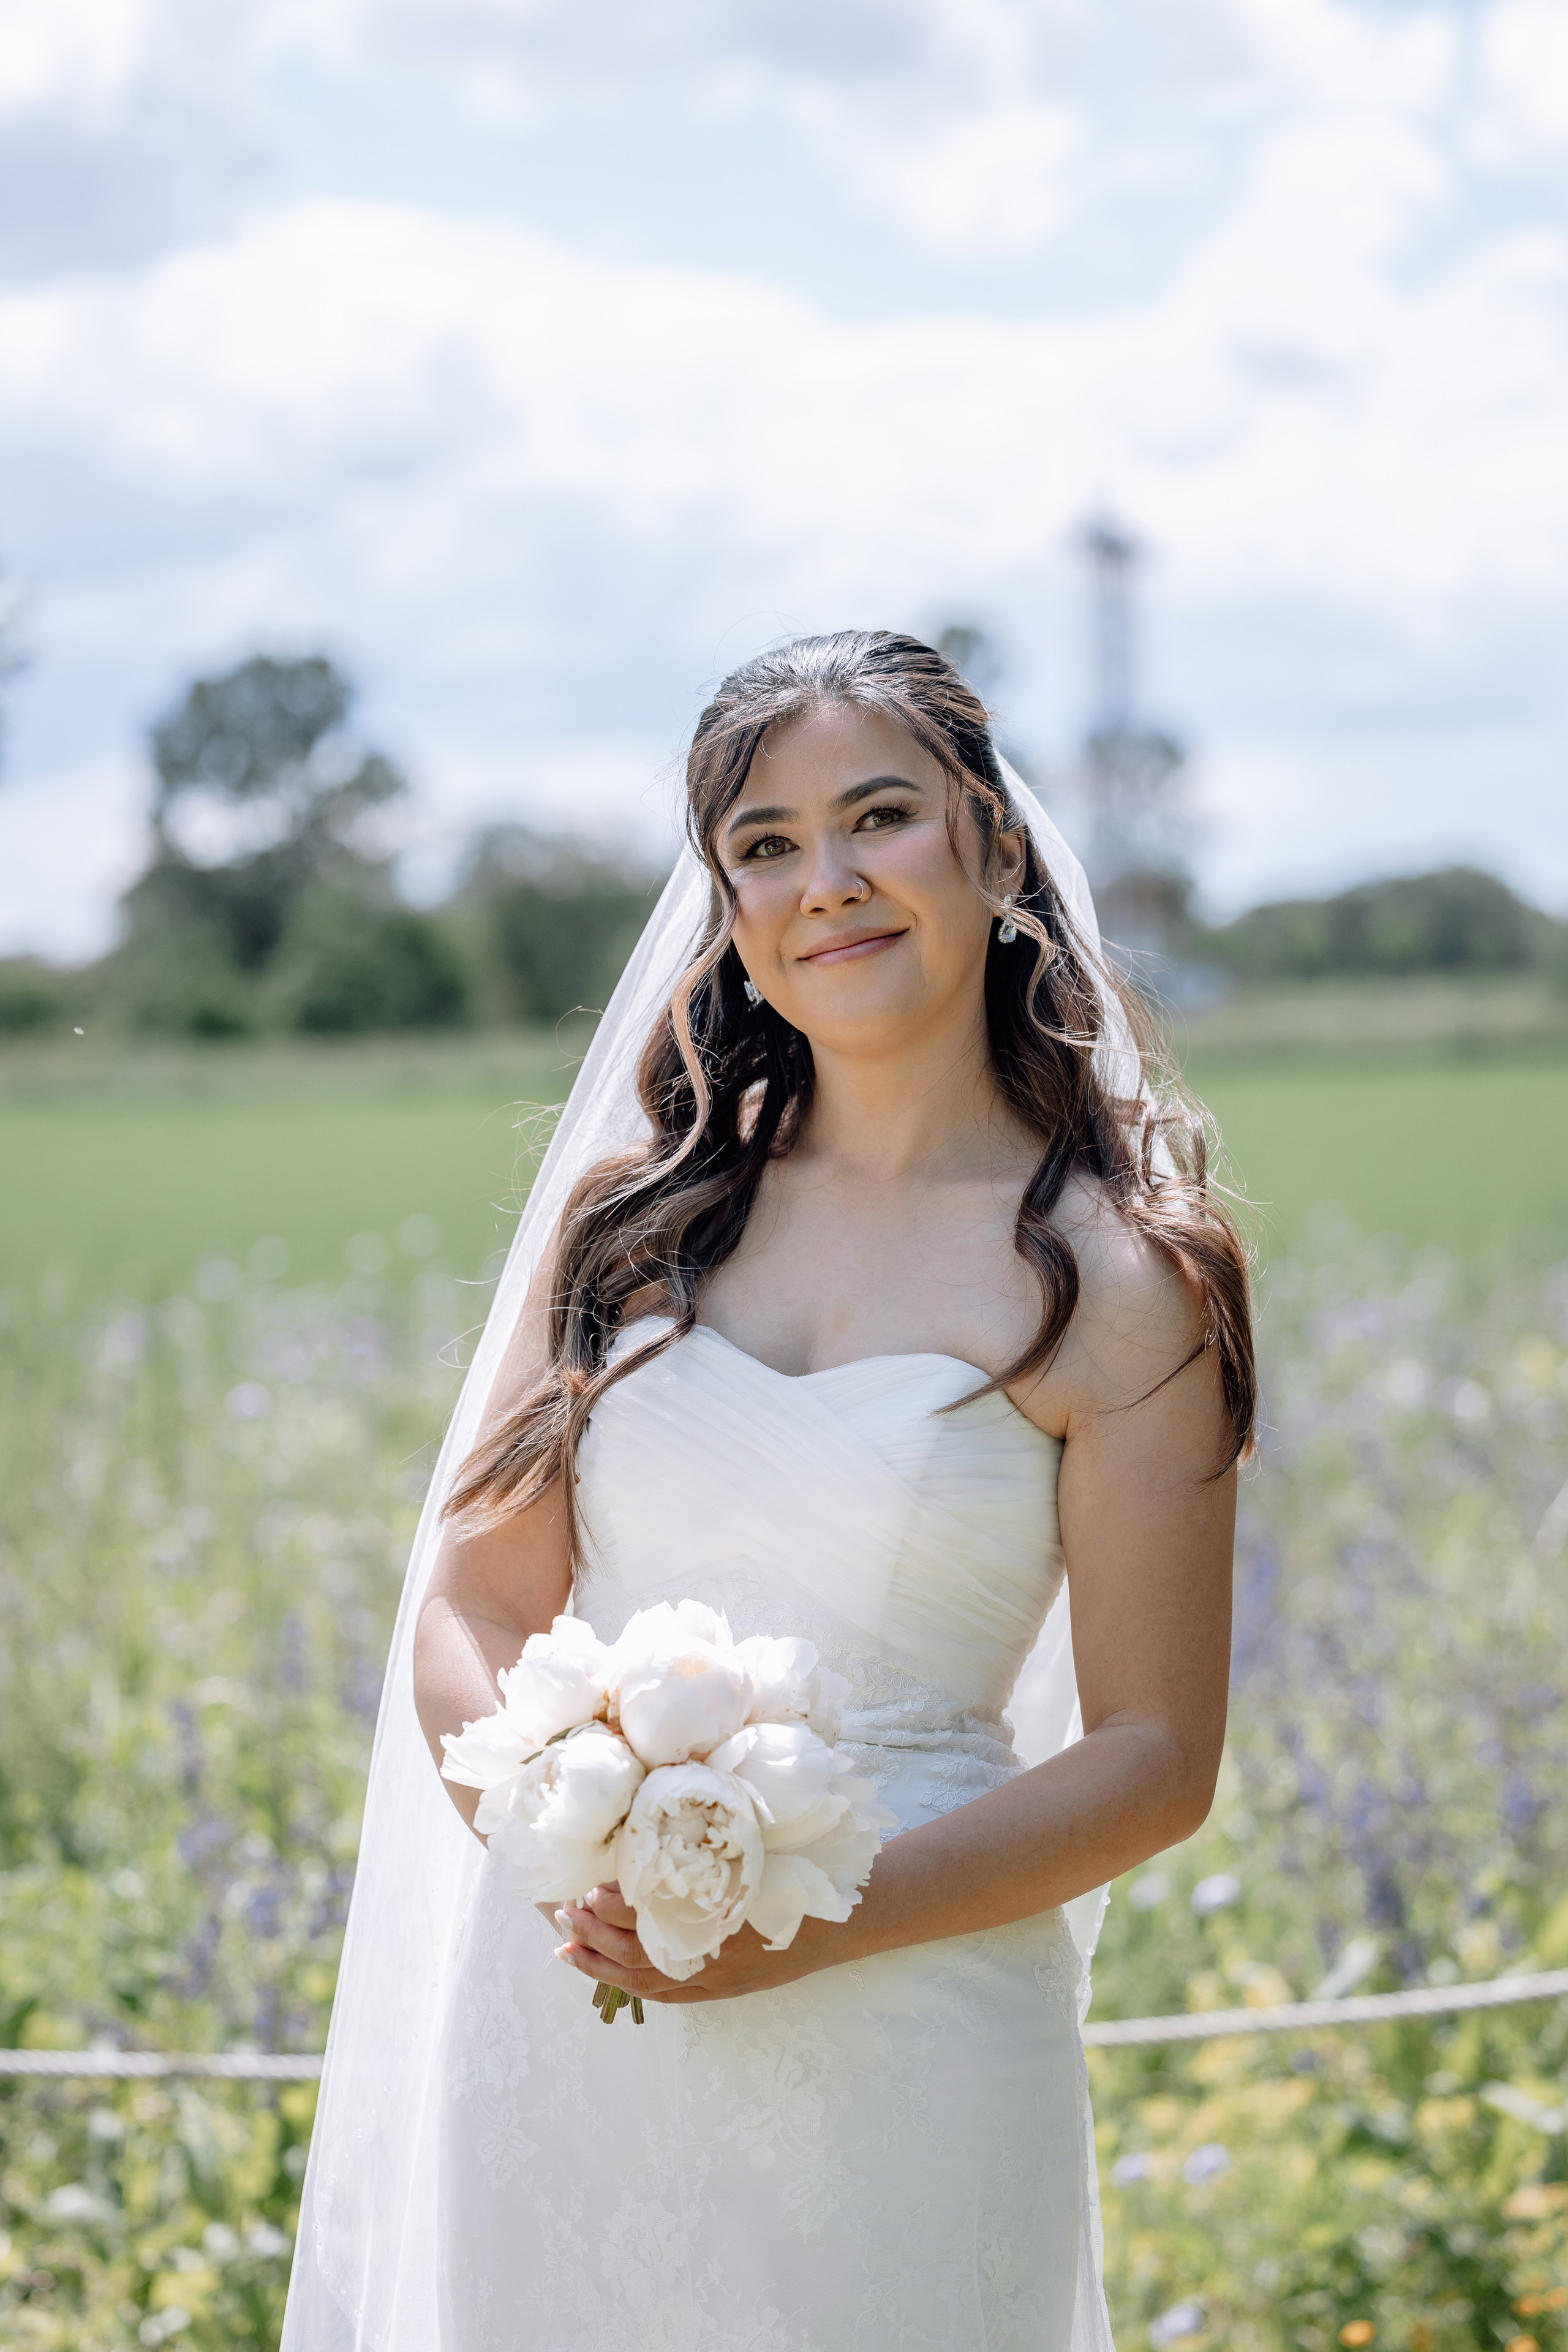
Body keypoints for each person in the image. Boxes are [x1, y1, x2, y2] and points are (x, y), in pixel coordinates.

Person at [281, 630, 1255, 2352]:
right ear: (724, 897)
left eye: (880, 818)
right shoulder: (629, 1224)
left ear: (998, 846)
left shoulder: (1117, 1276)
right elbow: (475, 1604)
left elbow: (1154, 1760)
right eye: (768, 845)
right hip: (570, 1994)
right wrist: (564, 1850)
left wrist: (805, 1926)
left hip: (915, 2014)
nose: (830, 884)